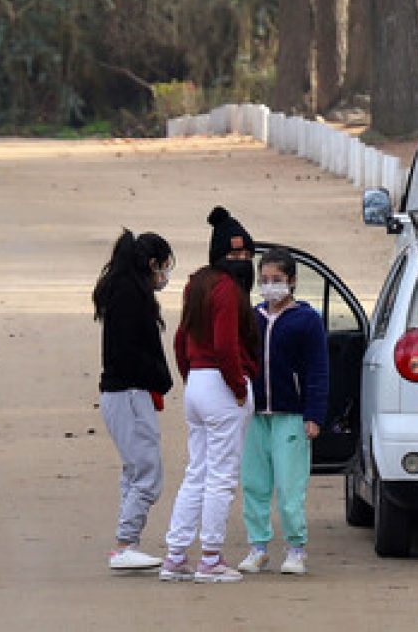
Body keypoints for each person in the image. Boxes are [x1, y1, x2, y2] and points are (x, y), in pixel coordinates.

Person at [159, 207, 259, 584]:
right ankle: (211, 557)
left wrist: (189, 376)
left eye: (247, 255)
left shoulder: (196, 283)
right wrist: (237, 387)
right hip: (221, 384)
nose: (242, 262)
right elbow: (226, 344)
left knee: (197, 471)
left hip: (198, 384)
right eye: (235, 255)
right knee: (221, 475)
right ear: (220, 254)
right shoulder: (229, 291)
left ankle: (175, 555)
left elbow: (182, 339)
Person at [237, 248, 329, 576]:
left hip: (291, 415)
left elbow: (318, 370)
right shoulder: (252, 316)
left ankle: (296, 548)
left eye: (276, 280)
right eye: (264, 280)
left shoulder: (307, 320)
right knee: (254, 484)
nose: (270, 286)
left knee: (290, 487)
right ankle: (258, 547)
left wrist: (314, 415)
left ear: (291, 281)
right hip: (255, 416)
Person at [93, 229, 175, 571]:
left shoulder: (122, 292)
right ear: (152, 264)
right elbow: (130, 352)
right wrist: (159, 377)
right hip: (128, 394)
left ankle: (128, 541)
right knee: (147, 472)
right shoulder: (131, 297)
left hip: (121, 394)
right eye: (165, 267)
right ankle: (125, 542)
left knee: (134, 469)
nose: (166, 275)